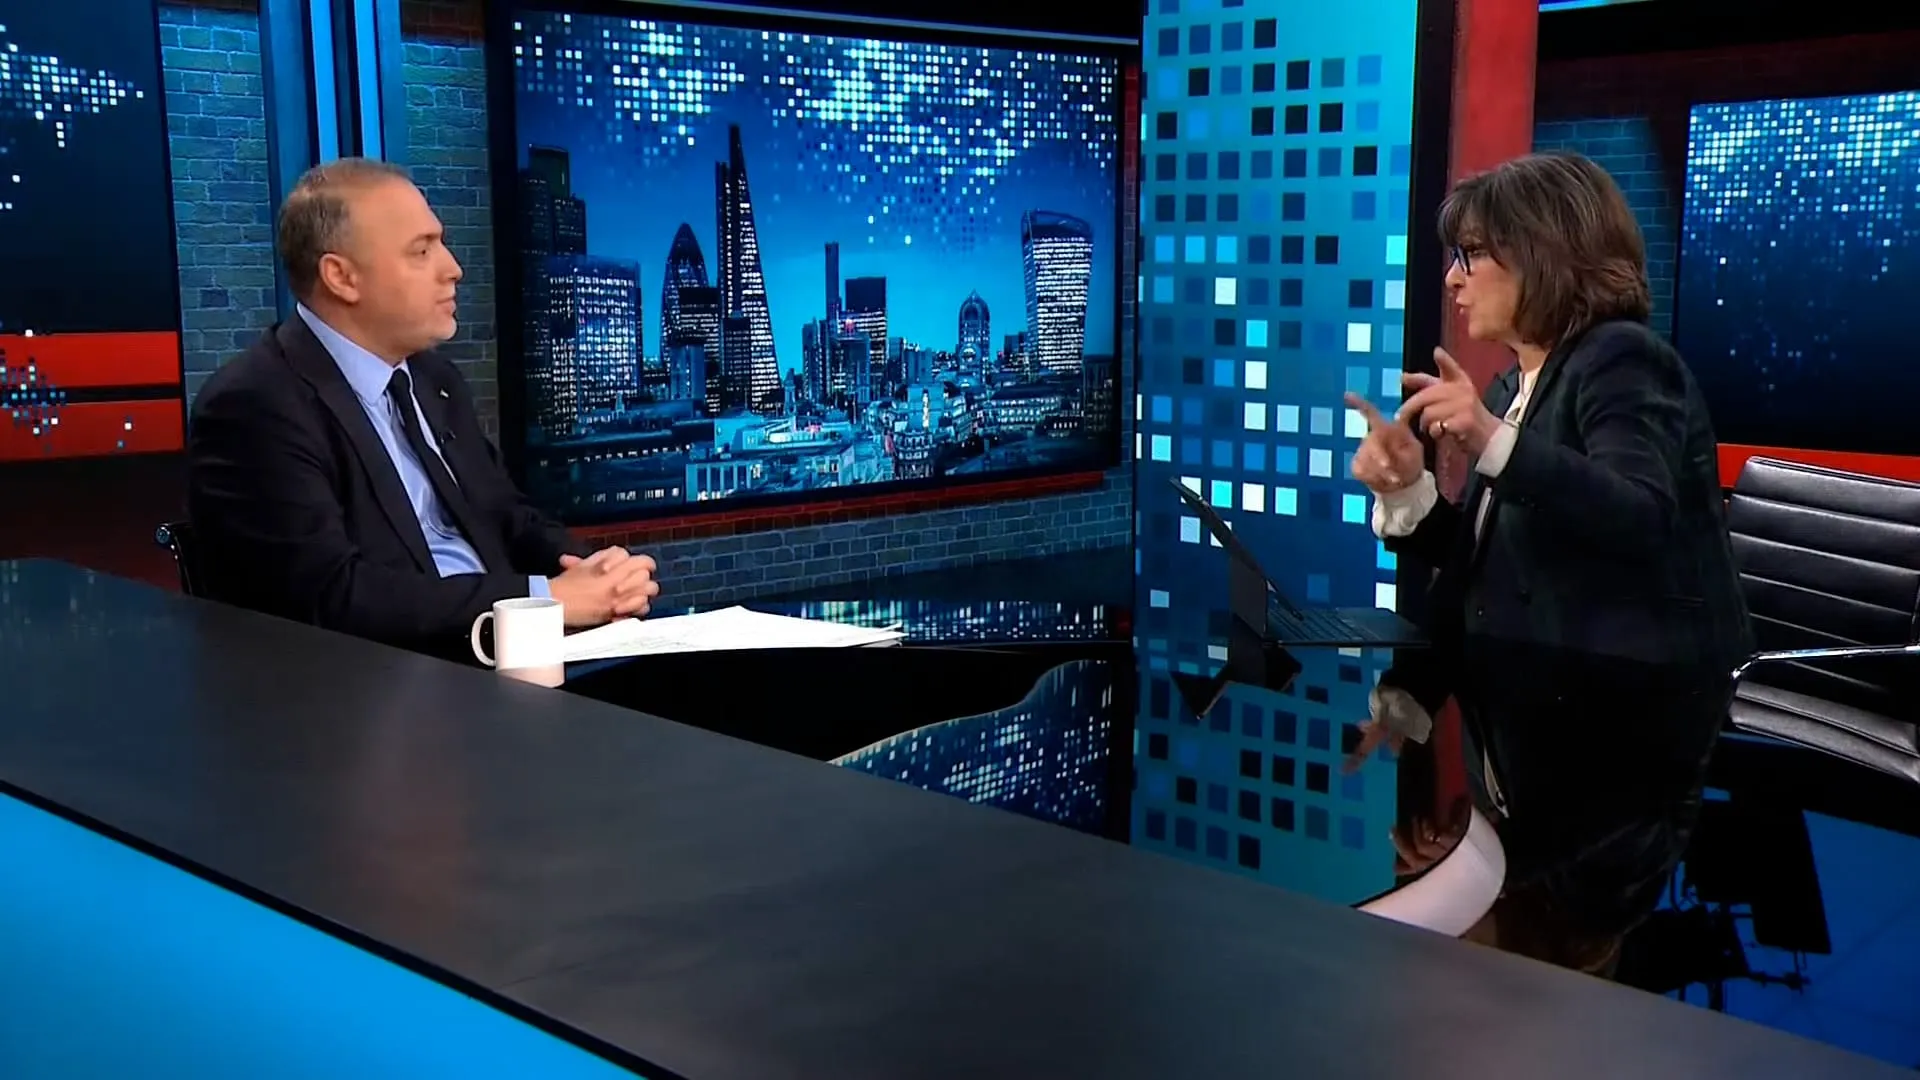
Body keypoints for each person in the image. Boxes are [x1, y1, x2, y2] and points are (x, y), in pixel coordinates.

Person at [1342, 152, 1752, 973]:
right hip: (1543, 713)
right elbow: (1490, 557)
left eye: (1472, 255)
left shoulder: (1623, 361)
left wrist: (1490, 442)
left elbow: (1637, 516)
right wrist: (1410, 490)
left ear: (1543, 254)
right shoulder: (1512, 388)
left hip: (1637, 725)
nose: (1453, 280)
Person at [187, 158, 658, 658]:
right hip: (386, 681)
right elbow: (331, 595)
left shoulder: (434, 380)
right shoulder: (253, 406)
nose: (453, 268)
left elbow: (506, 515)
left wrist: (593, 573)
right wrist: (544, 600)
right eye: (422, 250)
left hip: (509, 657)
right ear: (342, 277)